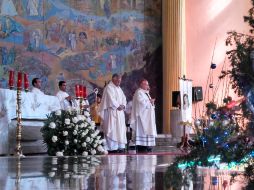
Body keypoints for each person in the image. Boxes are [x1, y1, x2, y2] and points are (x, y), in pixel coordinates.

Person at [98, 74, 127, 153]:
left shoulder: (119, 88)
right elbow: (111, 99)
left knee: (120, 130)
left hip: (120, 112)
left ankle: (120, 146)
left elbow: (124, 98)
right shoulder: (109, 88)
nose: (119, 82)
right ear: (113, 79)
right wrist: (118, 106)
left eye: (120, 81)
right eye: (118, 80)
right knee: (112, 130)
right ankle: (112, 148)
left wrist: (123, 106)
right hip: (112, 112)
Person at [130, 79, 157, 152]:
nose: (147, 86)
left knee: (148, 130)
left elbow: (149, 103)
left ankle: (147, 145)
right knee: (142, 131)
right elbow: (140, 102)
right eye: (146, 84)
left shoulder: (146, 93)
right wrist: (149, 101)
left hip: (147, 116)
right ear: (141, 84)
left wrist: (152, 103)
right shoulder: (138, 92)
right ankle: (142, 146)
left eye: (148, 84)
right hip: (142, 116)